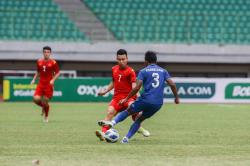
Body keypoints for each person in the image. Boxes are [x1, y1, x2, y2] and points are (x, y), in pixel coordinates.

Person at [98, 51, 179, 143]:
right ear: (156, 61)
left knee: (128, 111)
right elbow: (172, 84)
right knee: (139, 119)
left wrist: (127, 98)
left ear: (145, 61)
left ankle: (111, 123)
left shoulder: (143, 71)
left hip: (145, 100)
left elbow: (136, 88)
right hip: (158, 103)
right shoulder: (163, 71)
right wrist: (176, 98)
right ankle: (126, 138)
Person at [95, 49, 150, 141]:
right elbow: (113, 82)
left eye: (123, 59)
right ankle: (103, 133)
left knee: (135, 111)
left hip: (128, 98)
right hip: (117, 99)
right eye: (119, 59)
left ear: (127, 59)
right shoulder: (114, 69)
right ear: (116, 59)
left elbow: (134, 87)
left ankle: (138, 128)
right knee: (110, 112)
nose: (121, 61)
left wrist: (139, 97)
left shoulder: (130, 71)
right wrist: (105, 91)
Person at [31, 46, 60, 122]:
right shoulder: (39, 61)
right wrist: (34, 79)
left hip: (49, 85)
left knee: (45, 101)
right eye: (45, 52)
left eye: (48, 52)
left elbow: (58, 73)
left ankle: (46, 117)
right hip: (41, 84)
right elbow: (38, 72)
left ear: (50, 53)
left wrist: (53, 80)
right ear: (43, 53)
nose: (46, 53)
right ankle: (43, 107)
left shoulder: (53, 62)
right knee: (35, 99)